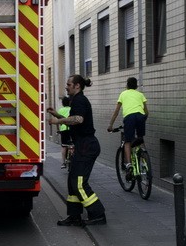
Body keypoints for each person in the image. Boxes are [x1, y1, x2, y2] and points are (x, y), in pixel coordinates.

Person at [47, 74, 107, 227]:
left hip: (87, 146)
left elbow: (78, 119)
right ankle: (74, 216)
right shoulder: (77, 100)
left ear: (77, 86)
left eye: (68, 84)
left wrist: (58, 121)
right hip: (83, 145)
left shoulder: (80, 100)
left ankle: (98, 214)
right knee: (72, 181)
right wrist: (58, 115)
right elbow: (77, 120)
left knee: (79, 183)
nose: (66, 87)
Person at [107, 77, 148, 178]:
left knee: (127, 141)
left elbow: (116, 112)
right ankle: (145, 161)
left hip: (129, 118)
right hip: (140, 116)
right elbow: (146, 112)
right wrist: (142, 120)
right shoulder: (140, 95)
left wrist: (110, 125)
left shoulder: (123, 94)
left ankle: (129, 165)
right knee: (140, 138)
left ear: (127, 86)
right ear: (136, 86)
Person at [57, 96, 73, 168]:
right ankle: (72, 158)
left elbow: (58, 121)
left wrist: (58, 130)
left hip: (63, 130)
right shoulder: (72, 109)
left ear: (63, 103)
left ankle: (63, 163)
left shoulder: (60, 110)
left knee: (64, 146)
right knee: (71, 145)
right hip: (72, 129)